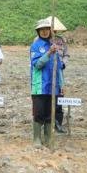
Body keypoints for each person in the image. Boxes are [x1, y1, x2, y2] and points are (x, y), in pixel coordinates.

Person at [30, 18, 65, 147]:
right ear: (38, 31)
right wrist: (49, 53)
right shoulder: (36, 46)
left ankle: (48, 138)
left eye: (47, 29)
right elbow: (37, 65)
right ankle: (37, 139)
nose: (44, 32)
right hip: (40, 86)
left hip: (53, 87)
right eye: (42, 30)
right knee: (39, 112)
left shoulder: (54, 45)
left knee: (51, 113)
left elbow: (59, 68)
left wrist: (62, 85)